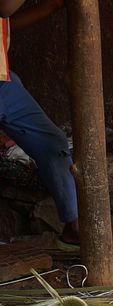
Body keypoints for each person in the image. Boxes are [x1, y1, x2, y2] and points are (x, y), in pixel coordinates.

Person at [0, 0, 79, 245]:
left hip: (3, 83)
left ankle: (73, 224)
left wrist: (52, 6)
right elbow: (4, 8)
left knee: (52, 143)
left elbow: (6, 21)